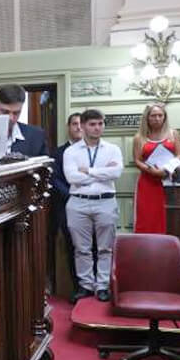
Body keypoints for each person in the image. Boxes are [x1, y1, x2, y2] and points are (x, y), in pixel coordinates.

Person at [63, 109, 123, 302]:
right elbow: (71, 177)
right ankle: (86, 285)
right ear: (83, 126)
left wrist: (88, 171)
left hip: (105, 201)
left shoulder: (113, 149)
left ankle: (103, 286)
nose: (97, 128)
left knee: (105, 248)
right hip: (78, 203)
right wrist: (102, 172)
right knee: (81, 248)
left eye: (100, 124)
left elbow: (116, 173)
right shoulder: (71, 151)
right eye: (92, 124)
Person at [131, 102, 180, 233]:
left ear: (165, 117)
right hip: (147, 183)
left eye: (160, 115)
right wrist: (152, 171)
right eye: (153, 116)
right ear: (147, 118)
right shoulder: (139, 137)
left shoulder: (173, 133)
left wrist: (166, 170)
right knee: (147, 217)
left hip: (169, 179)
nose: (157, 119)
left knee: (167, 216)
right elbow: (137, 160)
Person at [51, 113, 83, 297]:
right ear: (68, 127)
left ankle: (97, 289)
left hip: (92, 204)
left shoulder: (93, 151)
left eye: (81, 124)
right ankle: (78, 288)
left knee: (94, 248)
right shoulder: (58, 152)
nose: (78, 127)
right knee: (74, 248)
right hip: (67, 205)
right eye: (74, 124)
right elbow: (55, 180)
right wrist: (74, 195)